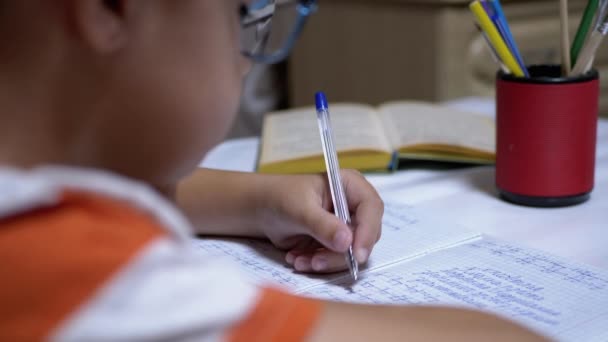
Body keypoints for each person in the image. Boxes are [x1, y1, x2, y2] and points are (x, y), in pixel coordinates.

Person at [0, 1, 547, 341]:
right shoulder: (83, 286)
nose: (245, 55)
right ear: (109, 7)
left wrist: (258, 200)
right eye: (241, 15)